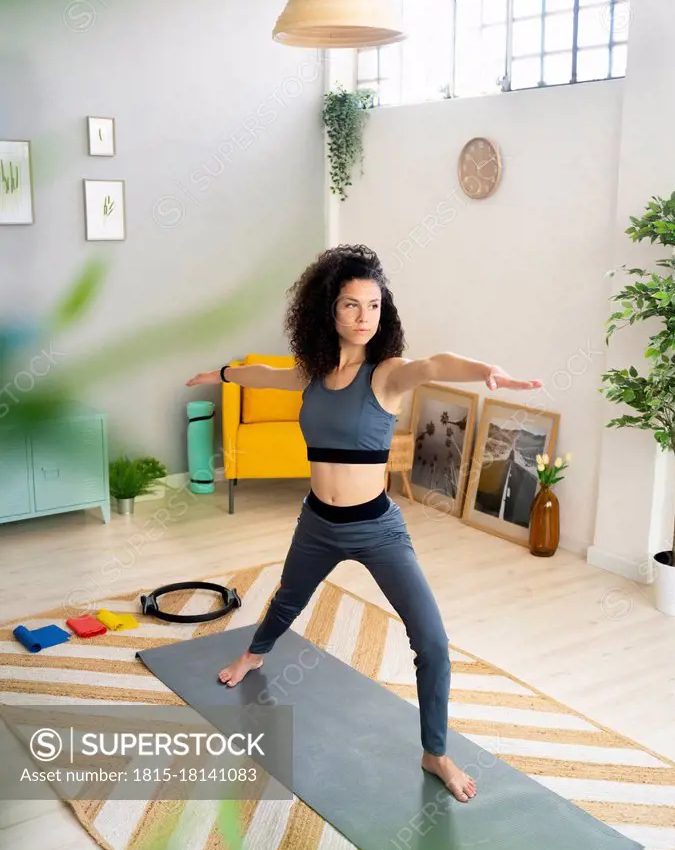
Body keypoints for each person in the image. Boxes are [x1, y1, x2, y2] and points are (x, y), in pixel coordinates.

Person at [186, 244, 542, 802]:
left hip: (376, 527)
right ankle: (254, 654)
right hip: (317, 521)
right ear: (329, 311)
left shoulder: (389, 375)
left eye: (373, 306)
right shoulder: (313, 373)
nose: (362, 318)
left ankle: (435, 752)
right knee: (287, 598)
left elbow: (435, 364)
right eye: (351, 306)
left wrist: (483, 371)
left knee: (432, 641)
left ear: (385, 312)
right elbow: (262, 373)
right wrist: (221, 372)